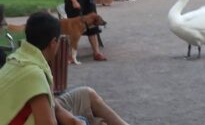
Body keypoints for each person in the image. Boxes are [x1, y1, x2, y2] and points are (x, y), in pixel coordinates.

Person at [0, 12, 130, 125]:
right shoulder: (34, 73)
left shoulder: (18, 57)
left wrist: (71, 119)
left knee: (87, 94)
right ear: (53, 43)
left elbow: (52, 105)